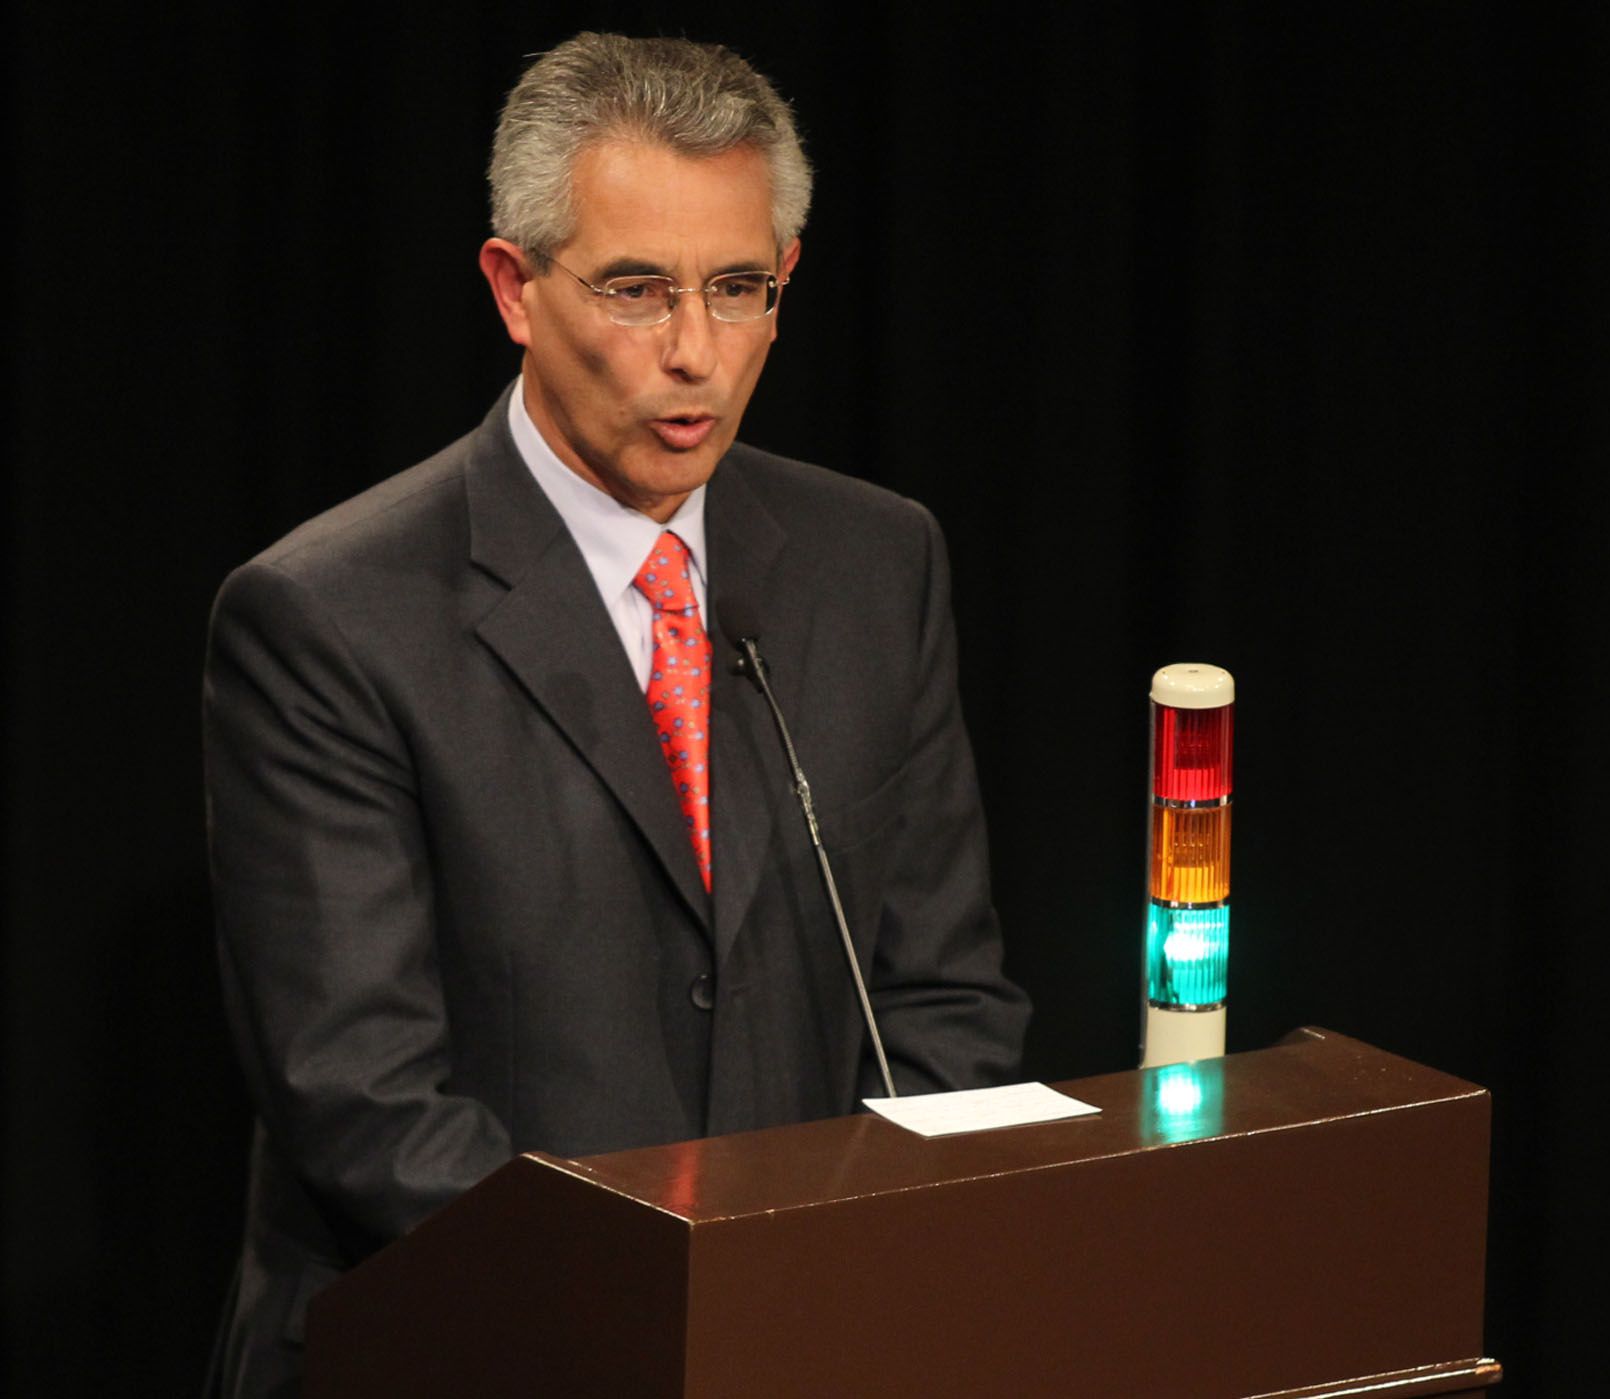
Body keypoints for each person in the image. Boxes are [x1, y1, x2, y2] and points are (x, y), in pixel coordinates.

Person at [201, 32, 1029, 1398]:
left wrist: (856, 1287)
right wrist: (671, 1320)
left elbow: (942, 1001)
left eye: (737, 288)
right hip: (470, 1346)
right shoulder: (327, 617)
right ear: (514, 288)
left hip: (809, 1342)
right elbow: (364, 1098)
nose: (695, 353)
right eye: (637, 290)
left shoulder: (877, 564)